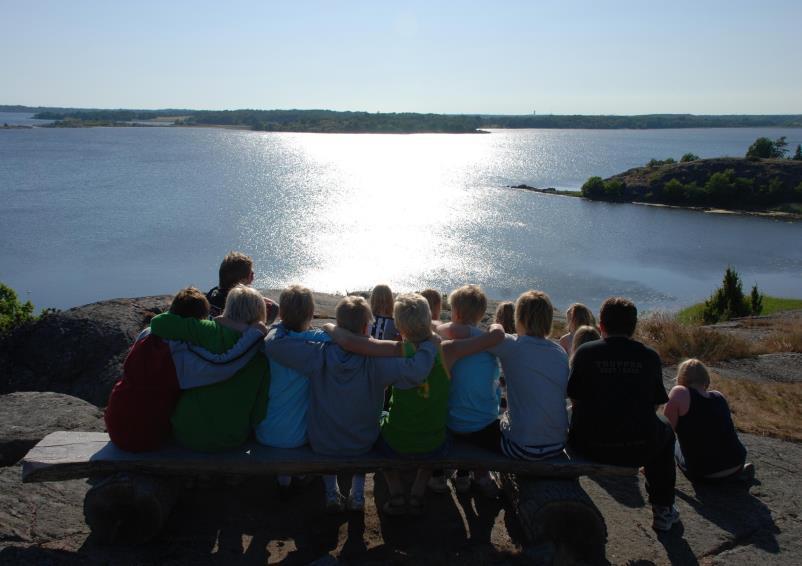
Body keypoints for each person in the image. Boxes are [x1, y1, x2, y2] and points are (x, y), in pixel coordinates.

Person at [325, 293, 504, 515]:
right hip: (433, 443)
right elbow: (492, 339)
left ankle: (397, 492)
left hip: (396, 440)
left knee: (379, 435)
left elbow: (353, 343)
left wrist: (330, 328)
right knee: (437, 439)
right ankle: (417, 493)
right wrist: (496, 327)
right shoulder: (448, 350)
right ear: (430, 318)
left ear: (398, 326)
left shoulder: (394, 352)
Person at [261, 295, 439, 513]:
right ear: (366, 327)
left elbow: (273, 345)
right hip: (362, 442)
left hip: (322, 442)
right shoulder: (378, 362)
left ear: (340, 325)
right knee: (365, 422)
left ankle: (331, 492)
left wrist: (281, 321)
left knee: (328, 422)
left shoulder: (318, 354)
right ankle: (357, 493)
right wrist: (429, 345)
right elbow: (416, 371)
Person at [104, 287, 265, 452]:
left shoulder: (147, 334)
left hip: (116, 417)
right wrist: (252, 335)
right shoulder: (181, 356)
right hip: (145, 434)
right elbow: (223, 365)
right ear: (196, 322)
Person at [567, 297, 679, 532]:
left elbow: (574, 398)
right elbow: (655, 405)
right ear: (634, 327)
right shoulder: (649, 357)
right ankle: (662, 509)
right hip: (639, 447)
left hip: (588, 444)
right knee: (666, 430)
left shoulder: (586, 352)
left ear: (601, 326)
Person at [148, 285, 271, 452]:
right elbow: (259, 412)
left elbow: (157, 323)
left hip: (186, 432)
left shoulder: (207, 330)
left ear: (229, 307)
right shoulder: (261, 354)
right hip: (231, 438)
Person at [431, 285, 501, 496]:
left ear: (457, 313)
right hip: (483, 425)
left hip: (450, 423)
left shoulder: (445, 338)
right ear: (480, 314)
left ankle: (438, 475)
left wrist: (435, 324)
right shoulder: (488, 345)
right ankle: (476, 475)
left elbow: (443, 328)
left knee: (441, 404)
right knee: (486, 403)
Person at [663, 359, 752, 482]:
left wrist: (652, 466)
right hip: (736, 463)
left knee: (676, 444)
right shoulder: (719, 396)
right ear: (705, 378)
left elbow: (664, 432)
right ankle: (736, 476)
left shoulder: (679, 392)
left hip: (704, 472)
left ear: (681, 378)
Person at [206, 251, 278, 321]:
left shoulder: (212, 293)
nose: (253, 275)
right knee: (274, 308)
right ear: (242, 281)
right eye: (251, 274)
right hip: (234, 331)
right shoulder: (240, 301)